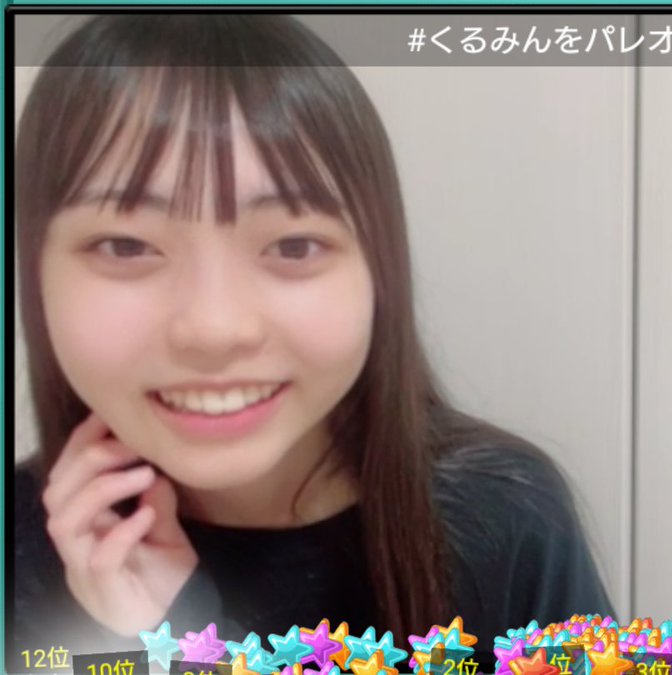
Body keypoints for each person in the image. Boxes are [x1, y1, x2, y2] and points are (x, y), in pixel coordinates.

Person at [10, 13, 614, 669]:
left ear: (378, 272)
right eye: (126, 246)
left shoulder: (502, 519)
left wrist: (185, 638)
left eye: (294, 245)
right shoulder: (21, 544)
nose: (215, 329)